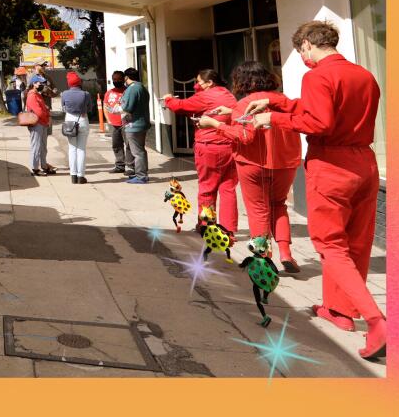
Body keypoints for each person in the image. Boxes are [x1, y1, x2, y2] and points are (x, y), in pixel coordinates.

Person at [246, 20, 385, 360]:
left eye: (301, 51)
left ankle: (377, 321)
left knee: (330, 244)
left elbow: (318, 122)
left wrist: (271, 119)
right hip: (364, 163)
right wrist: (275, 102)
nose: (303, 57)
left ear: (308, 44)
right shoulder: (364, 75)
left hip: (332, 165)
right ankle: (339, 310)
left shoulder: (317, 76)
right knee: (357, 242)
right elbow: (320, 111)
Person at [196, 61, 301, 272]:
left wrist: (215, 124)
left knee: (258, 210)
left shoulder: (246, 104)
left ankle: (263, 258)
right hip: (285, 163)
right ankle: (285, 253)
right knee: (279, 205)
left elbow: (244, 136)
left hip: (253, 163)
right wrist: (232, 109)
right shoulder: (283, 100)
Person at [161, 69, 238, 236]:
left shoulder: (206, 96)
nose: (197, 85)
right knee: (228, 189)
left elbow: (181, 106)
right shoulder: (228, 94)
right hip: (230, 146)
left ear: (209, 83)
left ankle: (206, 225)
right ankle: (228, 229)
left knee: (207, 188)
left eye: (199, 82)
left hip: (209, 146)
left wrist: (168, 99)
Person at [60, 71, 95, 183]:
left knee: (72, 149)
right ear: (79, 82)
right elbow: (90, 108)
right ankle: (81, 176)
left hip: (69, 120)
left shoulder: (64, 94)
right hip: (82, 120)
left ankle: (73, 175)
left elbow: (63, 107)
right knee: (81, 149)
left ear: (69, 83)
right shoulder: (86, 94)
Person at [120, 68, 150, 183]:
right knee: (140, 150)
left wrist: (116, 109)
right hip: (141, 124)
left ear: (126, 77)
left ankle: (141, 176)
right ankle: (141, 173)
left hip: (134, 125)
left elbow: (127, 107)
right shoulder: (142, 87)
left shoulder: (132, 89)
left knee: (137, 152)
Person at [24, 80, 54, 176]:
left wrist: (47, 116)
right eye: (38, 83)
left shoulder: (38, 94)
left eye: (42, 83)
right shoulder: (32, 95)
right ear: (33, 84)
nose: (41, 84)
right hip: (37, 124)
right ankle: (35, 168)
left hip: (42, 123)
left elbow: (44, 108)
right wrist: (47, 117)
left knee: (43, 146)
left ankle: (44, 165)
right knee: (36, 146)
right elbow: (39, 112)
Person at [104, 71, 129, 174]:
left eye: (118, 79)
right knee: (116, 145)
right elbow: (105, 106)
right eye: (114, 79)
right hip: (114, 124)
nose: (116, 81)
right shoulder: (109, 92)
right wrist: (108, 120)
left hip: (126, 123)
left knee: (129, 145)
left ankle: (131, 166)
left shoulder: (128, 91)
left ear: (123, 79)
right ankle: (119, 166)